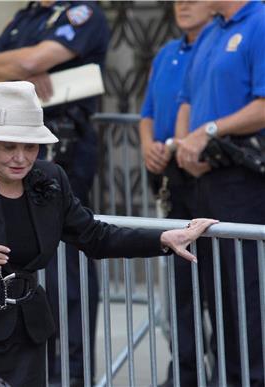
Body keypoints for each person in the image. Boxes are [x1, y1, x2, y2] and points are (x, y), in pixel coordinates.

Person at [0, 81, 217, 387]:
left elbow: (94, 236)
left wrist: (163, 239)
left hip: (29, 332)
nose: (21, 157)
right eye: (8, 146)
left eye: (31, 147)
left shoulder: (49, 177)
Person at [0, 2, 110, 383]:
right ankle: (38, 363)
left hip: (63, 147)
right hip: (24, 150)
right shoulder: (27, 15)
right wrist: (2, 65)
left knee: (69, 263)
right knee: (26, 256)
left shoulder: (82, 13)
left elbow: (27, 63)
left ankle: (72, 372)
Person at [174, 1, 265, 386]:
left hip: (244, 178)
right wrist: (183, 145)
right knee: (215, 291)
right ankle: (227, 377)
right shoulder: (212, 30)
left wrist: (208, 131)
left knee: (247, 291)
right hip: (204, 178)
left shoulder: (259, 22)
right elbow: (188, 99)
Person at [138, 2, 213, 385]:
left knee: (219, 286)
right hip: (173, 179)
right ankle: (185, 372)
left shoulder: (216, 44)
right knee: (180, 288)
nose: (183, 5)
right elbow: (147, 112)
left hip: (206, 176)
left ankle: (226, 369)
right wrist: (149, 144)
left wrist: (181, 143)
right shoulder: (167, 52)